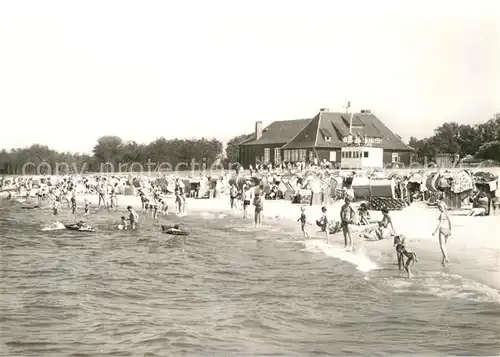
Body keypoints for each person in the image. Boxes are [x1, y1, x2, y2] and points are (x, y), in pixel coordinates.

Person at [433, 200, 451, 267]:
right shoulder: (447, 213)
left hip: (442, 230)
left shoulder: (442, 214)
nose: (439, 208)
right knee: (444, 246)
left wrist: (435, 231)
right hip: (447, 230)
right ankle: (443, 262)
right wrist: (450, 230)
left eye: (440, 207)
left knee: (442, 246)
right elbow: (449, 222)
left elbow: (440, 224)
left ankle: (446, 257)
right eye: (439, 207)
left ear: (443, 207)